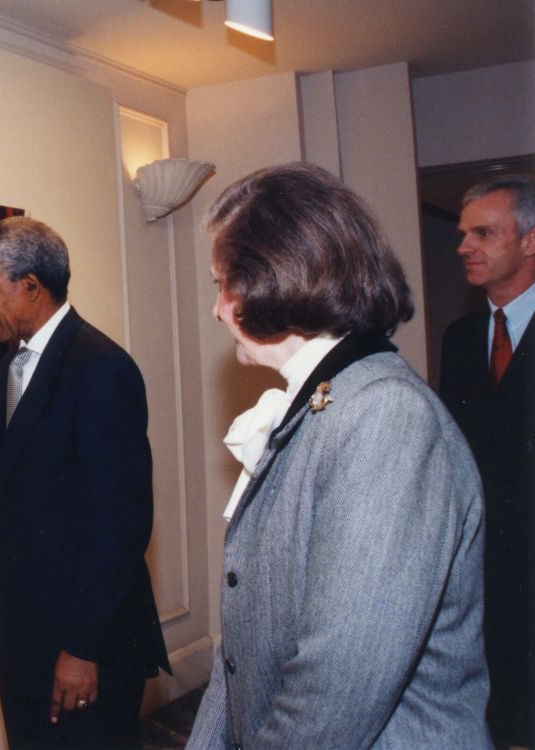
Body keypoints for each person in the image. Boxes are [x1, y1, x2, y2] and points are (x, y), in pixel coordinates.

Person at [187, 163, 489, 748]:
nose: (218, 310)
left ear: (276, 277)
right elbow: (243, 650)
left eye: (223, 283)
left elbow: (337, 687)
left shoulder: (384, 416)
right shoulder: (328, 402)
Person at [0, 216, 169, 749]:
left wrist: (82, 649)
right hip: (26, 645)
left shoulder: (102, 369)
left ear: (31, 287)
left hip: (84, 652)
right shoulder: (11, 361)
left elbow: (120, 525)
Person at [438, 174, 534, 748]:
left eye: (483, 233)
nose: (463, 246)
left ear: (529, 241)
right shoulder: (460, 336)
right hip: (486, 573)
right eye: (462, 233)